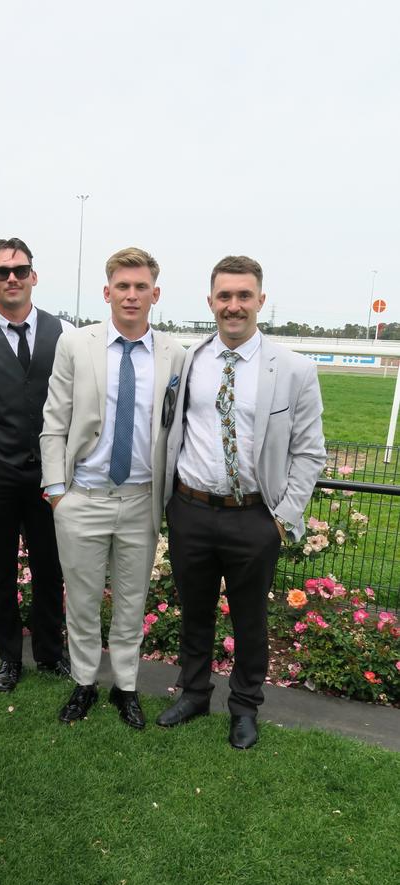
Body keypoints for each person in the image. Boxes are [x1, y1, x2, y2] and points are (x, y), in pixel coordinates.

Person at [157, 255, 325, 748]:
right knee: (194, 612)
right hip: (190, 510)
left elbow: (309, 451)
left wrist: (282, 518)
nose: (234, 306)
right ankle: (192, 693)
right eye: (224, 296)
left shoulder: (293, 369)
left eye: (244, 296)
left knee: (249, 619)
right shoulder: (188, 361)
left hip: (255, 517)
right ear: (210, 302)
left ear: (260, 301)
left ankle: (245, 706)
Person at [41, 247, 185, 729]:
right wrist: (59, 493)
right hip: (83, 498)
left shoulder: (175, 356)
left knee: (131, 602)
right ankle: (84, 683)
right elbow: (54, 419)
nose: (131, 294)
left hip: (141, 502)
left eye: (140, 286)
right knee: (80, 602)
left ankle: (125, 687)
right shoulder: (77, 345)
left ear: (155, 294)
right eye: (122, 286)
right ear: (107, 292)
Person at [0, 237, 71, 693]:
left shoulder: (64, 334)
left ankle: (49, 654)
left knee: (50, 569)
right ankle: (8, 659)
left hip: (50, 475)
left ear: (33, 276)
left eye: (20, 270)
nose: (12, 279)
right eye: (2, 272)